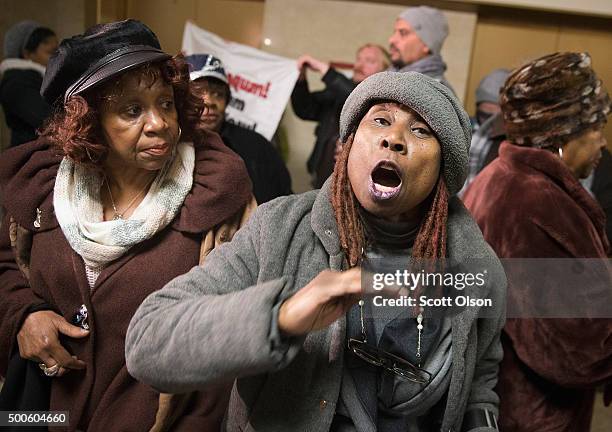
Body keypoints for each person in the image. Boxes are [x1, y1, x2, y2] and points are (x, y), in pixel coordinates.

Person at [126, 71, 507, 431]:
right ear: (348, 144)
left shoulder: (477, 265)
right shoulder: (277, 229)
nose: (394, 139)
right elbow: (147, 342)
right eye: (380, 121)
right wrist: (282, 317)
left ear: (444, 168)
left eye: (420, 130)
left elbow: (479, 381)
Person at [0, 20, 255, 431]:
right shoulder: (44, 187)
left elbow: (232, 335)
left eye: (166, 103)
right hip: (40, 413)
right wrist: (24, 316)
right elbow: (4, 266)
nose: (158, 123)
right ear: (90, 121)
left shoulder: (213, 194)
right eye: (132, 110)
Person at [463, 52, 612, 431]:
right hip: (526, 412)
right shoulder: (536, 202)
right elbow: (571, 349)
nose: (602, 142)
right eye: (597, 127)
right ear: (563, 132)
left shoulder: (499, 175)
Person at [185, 54, 291, 204]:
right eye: (197, 92)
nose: (209, 101)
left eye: (218, 94)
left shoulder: (257, 147)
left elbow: (283, 200)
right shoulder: (168, 148)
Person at [291, 44, 389, 188]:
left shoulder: (383, 101)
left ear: (385, 70)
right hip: (320, 180)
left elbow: (358, 98)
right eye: (358, 59)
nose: (359, 65)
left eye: (369, 61)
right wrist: (300, 80)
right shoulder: (337, 93)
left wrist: (325, 70)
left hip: (352, 186)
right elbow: (305, 109)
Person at [0, 20, 58, 147]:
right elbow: (49, 120)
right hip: (30, 158)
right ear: (27, 54)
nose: (57, 59)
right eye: (50, 53)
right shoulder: (17, 83)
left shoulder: (40, 79)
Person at [459, 69, 510, 195]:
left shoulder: (508, 143)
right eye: (484, 114)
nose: (487, 123)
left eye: (494, 117)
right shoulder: (462, 127)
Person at [388, 6, 453, 91]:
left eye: (403, 33)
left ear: (426, 45)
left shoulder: (434, 93)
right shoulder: (391, 79)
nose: (391, 40)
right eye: (394, 32)